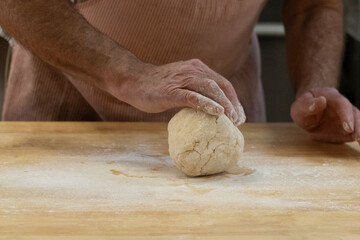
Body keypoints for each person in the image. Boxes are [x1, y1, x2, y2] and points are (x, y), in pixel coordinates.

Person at [0, 0, 358, 144]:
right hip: (70, 106)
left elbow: (313, 5)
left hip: (227, 110)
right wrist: (128, 73)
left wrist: (318, 85)